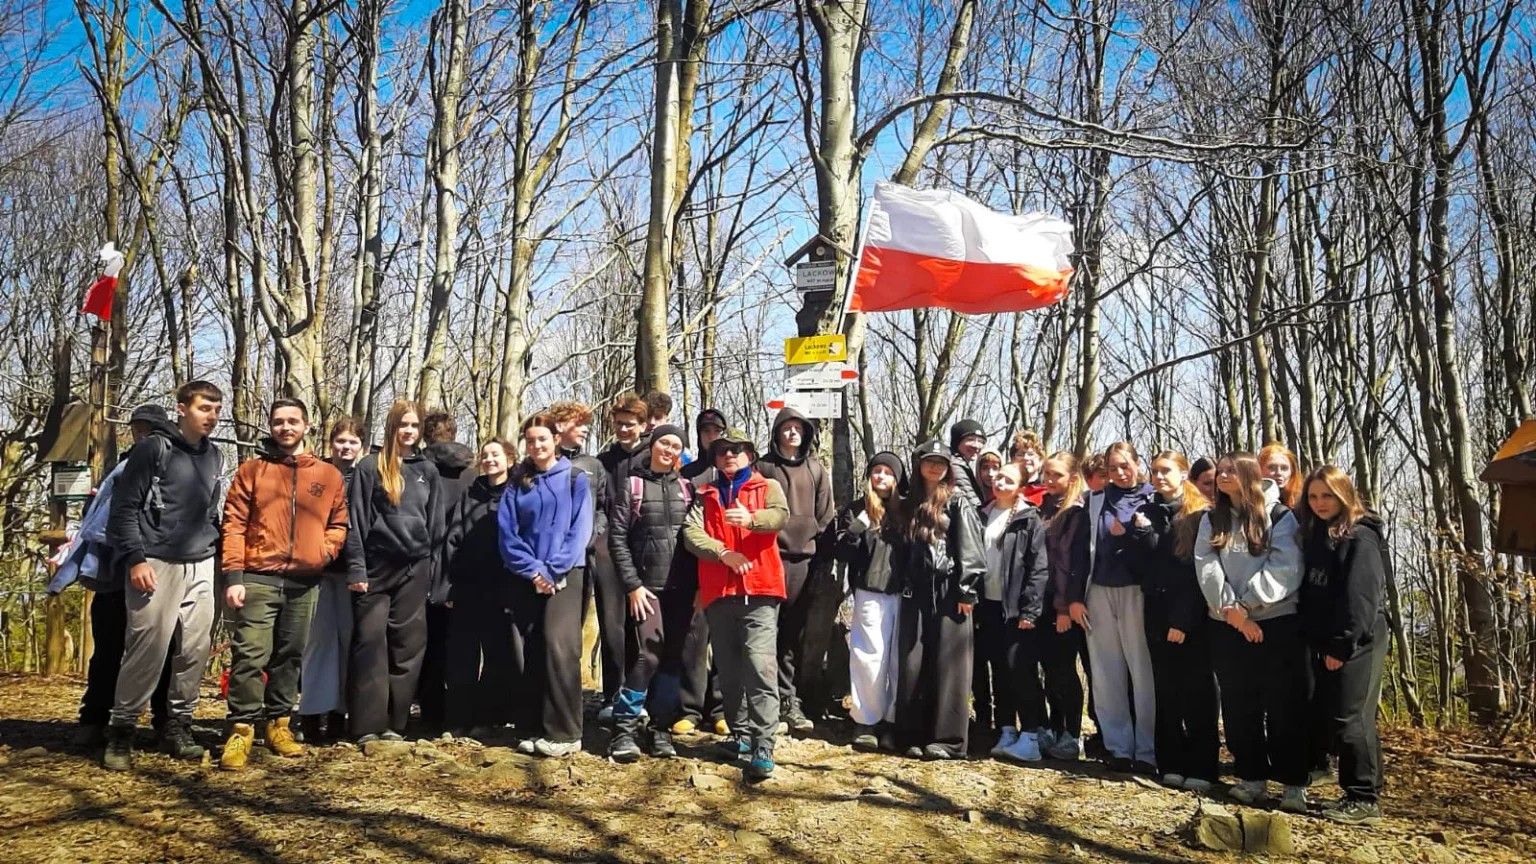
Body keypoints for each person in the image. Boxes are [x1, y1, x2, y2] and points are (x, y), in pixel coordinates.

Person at [218, 398, 349, 770]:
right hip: (258, 576)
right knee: (250, 654)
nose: (286, 427)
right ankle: (241, 729)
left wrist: (323, 552)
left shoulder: (327, 475)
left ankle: (280, 725)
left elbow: (338, 523)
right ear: (271, 427)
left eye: (293, 421)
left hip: (305, 582)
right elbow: (233, 525)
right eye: (279, 422)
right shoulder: (252, 470)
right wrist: (234, 576)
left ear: (306, 425)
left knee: (290, 656)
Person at [102, 381, 225, 771]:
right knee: (147, 650)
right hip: (155, 562)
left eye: (217, 409)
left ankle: (178, 726)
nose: (212, 416)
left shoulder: (214, 455)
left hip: (201, 562)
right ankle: (122, 730)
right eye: (204, 408)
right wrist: (136, 559)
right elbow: (124, 509)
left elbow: (210, 512)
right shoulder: (153, 449)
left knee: (194, 649)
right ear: (182, 409)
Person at [54, 405, 174, 749]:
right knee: (107, 650)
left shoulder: (175, 469)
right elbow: (95, 518)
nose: (142, 435)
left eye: (150, 429)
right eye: (138, 429)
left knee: (163, 650)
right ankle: (93, 719)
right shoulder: (118, 471)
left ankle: (165, 722)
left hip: (160, 573)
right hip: (113, 574)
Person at [1194, 452, 1307, 812]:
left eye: (1231, 470)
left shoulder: (1280, 516)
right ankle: (1251, 777)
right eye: (1220, 471)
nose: (1223, 476)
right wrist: (1232, 612)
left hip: (1276, 621)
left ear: (1249, 474)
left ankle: (1293, 784)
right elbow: (1206, 566)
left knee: (1284, 705)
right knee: (1239, 704)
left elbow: (1286, 567)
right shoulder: (1212, 519)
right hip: (1226, 623)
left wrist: (1248, 605)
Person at [680, 428, 789, 781]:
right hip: (719, 592)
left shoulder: (767, 487)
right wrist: (722, 552)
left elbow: (780, 516)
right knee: (728, 669)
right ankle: (740, 735)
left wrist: (752, 520)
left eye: (736, 449)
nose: (729, 455)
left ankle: (763, 744)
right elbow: (691, 534)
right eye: (722, 450)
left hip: (760, 590)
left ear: (750, 455)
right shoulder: (705, 494)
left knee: (759, 667)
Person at [346, 400, 444, 743]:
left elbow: (436, 527)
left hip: (415, 568)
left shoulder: (427, 470)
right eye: (404, 425)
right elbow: (355, 521)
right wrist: (357, 568)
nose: (409, 431)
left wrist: (433, 573)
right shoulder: (369, 467)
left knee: (407, 646)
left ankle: (395, 724)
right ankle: (366, 725)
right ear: (392, 427)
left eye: (415, 425)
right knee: (370, 642)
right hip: (375, 567)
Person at [1299, 466, 1389, 826]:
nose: (1320, 503)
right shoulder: (1321, 534)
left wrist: (1342, 646)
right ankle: (1367, 787)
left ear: (1343, 495)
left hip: (1358, 638)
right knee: (1341, 715)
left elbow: (1361, 599)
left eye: (1327, 496)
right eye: (1313, 496)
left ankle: (1363, 798)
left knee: (1351, 718)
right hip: (1330, 638)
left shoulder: (1359, 537)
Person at [499, 413, 594, 757]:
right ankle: (533, 727)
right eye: (530, 440)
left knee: (559, 648)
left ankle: (565, 733)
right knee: (533, 649)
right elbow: (507, 533)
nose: (536, 445)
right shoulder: (517, 482)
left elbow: (580, 530)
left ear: (556, 439)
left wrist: (552, 571)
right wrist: (533, 570)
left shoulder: (575, 478)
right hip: (527, 576)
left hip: (566, 575)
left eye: (542, 438)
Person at [890, 440, 987, 761]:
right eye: (929, 461)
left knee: (951, 667)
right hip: (915, 593)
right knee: (914, 665)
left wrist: (967, 591)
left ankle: (949, 740)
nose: (934, 467)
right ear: (918, 465)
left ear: (948, 468)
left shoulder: (958, 502)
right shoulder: (909, 504)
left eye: (941, 462)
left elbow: (971, 550)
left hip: (950, 593)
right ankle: (913, 735)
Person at [1128, 451, 1218, 792]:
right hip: (1155, 612)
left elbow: (1198, 573)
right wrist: (1140, 537)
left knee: (1197, 692)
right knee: (1165, 691)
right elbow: (1140, 569)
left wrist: (1183, 620)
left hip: (1191, 616)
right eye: (1155, 471)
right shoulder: (1147, 512)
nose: (1160, 476)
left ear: (1183, 474)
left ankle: (1203, 767)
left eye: (1167, 470)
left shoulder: (1199, 514)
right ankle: (1171, 763)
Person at [1069, 441, 1156, 774]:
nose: (1120, 473)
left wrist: (1131, 533)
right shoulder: (1094, 500)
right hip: (1098, 592)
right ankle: (1118, 747)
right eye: (1113, 468)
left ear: (1137, 463)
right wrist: (1075, 598)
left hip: (1138, 594)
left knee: (1143, 673)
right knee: (1106, 673)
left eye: (1125, 465)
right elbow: (1080, 552)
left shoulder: (1151, 497)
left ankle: (1147, 750)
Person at [607, 424, 692, 761]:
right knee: (649, 655)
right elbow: (617, 539)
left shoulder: (687, 489)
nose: (669, 450)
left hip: (682, 590)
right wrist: (632, 586)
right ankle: (624, 727)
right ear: (653, 446)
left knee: (672, 657)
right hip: (646, 589)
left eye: (676, 446)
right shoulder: (633, 485)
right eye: (664, 443)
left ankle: (660, 728)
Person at [754, 407, 834, 732]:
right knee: (763, 633)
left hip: (804, 563)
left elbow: (826, 518)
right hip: (768, 559)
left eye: (798, 428)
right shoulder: (763, 467)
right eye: (786, 428)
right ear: (777, 433)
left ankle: (790, 700)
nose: (792, 433)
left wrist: (822, 562)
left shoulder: (816, 470)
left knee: (792, 634)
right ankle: (763, 701)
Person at [441, 439, 516, 737]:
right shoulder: (470, 493)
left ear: (510, 460)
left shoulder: (518, 493)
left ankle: (489, 717)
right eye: (485, 455)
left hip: (504, 585)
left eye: (496, 454)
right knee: (462, 654)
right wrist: (449, 583)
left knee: (498, 654)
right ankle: (458, 718)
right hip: (468, 585)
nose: (489, 459)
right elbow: (453, 538)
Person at [296, 418, 364, 743]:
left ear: (362, 446)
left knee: (348, 645)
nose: (346, 447)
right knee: (318, 644)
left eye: (352, 442)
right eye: (341, 441)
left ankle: (339, 714)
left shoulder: (366, 477)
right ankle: (311, 713)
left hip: (354, 575)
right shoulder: (315, 475)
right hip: (318, 572)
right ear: (330, 443)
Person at [835, 452, 906, 752]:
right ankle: (866, 721)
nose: (881, 477)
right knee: (869, 658)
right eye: (877, 471)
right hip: (869, 592)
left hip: (904, 594)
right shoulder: (856, 510)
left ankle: (893, 722)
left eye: (888, 472)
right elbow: (841, 551)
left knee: (898, 660)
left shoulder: (907, 511)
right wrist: (856, 529)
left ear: (897, 479)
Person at [980, 462, 1050, 762]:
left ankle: (1031, 736)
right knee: (999, 670)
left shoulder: (1028, 518)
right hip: (988, 606)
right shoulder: (982, 514)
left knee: (1020, 669)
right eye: (998, 477)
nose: (1000, 482)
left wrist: (1030, 611)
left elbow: (1038, 568)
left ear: (1021, 487)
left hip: (1017, 609)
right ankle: (1007, 729)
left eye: (1008, 480)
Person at [548, 400, 613, 720]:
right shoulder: (543, 460)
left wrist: (591, 535)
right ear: (560, 426)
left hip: (582, 561)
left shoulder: (594, 465)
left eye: (587, 424)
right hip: (544, 562)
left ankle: (569, 707)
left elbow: (603, 508)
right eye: (579, 423)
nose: (586, 429)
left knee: (572, 635)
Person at [418, 412, 477, 732]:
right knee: (461, 643)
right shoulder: (472, 474)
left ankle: (430, 710)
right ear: (454, 434)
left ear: (426, 436)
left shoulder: (417, 470)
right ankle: (459, 712)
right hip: (461, 567)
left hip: (423, 566)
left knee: (424, 640)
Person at [595, 392, 651, 716]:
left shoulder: (652, 457)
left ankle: (639, 694)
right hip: (607, 549)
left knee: (640, 624)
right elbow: (597, 504)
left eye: (630, 424)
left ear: (643, 425)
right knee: (612, 624)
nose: (624, 429)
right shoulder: (603, 462)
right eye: (618, 424)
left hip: (644, 548)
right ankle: (612, 695)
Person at [673, 408, 729, 736]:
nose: (712, 436)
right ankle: (690, 709)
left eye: (717, 431)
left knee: (724, 641)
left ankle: (719, 709)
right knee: (693, 642)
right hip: (693, 568)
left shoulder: (733, 472)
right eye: (706, 431)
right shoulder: (687, 474)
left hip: (727, 568)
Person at [1040, 452, 1089, 760]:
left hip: (1064, 605)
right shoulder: (1042, 508)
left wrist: (1063, 607)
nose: (1049, 480)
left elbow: (1071, 563)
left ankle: (1072, 733)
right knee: (1049, 670)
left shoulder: (1076, 512)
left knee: (1064, 670)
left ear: (1072, 478)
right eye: (1046, 473)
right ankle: (1054, 729)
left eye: (1056, 475)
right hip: (1041, 602)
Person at [947, 419, 988, 504]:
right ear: (956, 442)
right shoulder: (954, 466)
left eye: (981, 441)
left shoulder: (961, 464)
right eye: (970, 439)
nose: (976, 446)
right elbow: (972, 503)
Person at [1258, 442, 1304, 510]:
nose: (1278, 473)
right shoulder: (1250, 501)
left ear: (1292, 471)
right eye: (1271, 468)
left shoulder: (1303, 501)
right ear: (1259, 470)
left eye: (1284, 468)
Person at [1009, 430, 1048, 506]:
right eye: (1020, 454)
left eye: (1030, 454)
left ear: (1040, 460)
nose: (1026, 458)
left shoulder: (1048, 493)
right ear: (1012, 460)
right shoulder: (1004, 490)